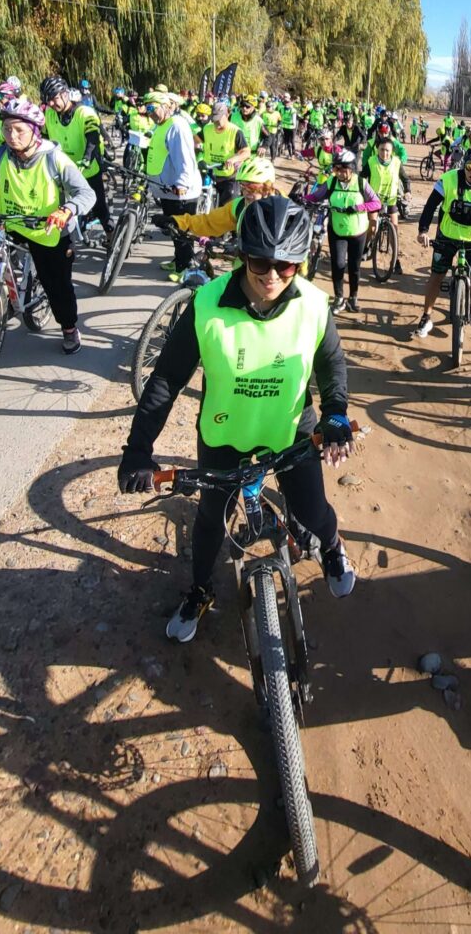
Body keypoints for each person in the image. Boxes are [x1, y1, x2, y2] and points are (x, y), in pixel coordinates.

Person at [118, 196, 357, 642]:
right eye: (259, 262)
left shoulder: (313, 305)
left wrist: (337, 414)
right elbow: (167, 380)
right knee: (211, 520)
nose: (271, 276)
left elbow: (331, 366)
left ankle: (332, 546)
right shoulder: (207, 305)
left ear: (301, 263)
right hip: (224, 437)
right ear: (241, 255)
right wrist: (137, 451)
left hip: (289, 432)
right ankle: (201, 590)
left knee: (313, 510)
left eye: (286, 266)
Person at [0, 99, 95, 353]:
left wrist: (66, 209)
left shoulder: (54, 159)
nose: (11, 136)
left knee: (56, 286)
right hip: (9, 222)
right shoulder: (0, 153)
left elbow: (86, 193)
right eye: (6, 129)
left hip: (46, 230)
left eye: (19, 130)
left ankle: (69, 328)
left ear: (35, 131)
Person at [413, 146, 471, 334]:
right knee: (436, 275)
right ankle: (426, 316)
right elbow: (430, 205)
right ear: (463, 166)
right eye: (469, 167)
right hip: (447, 235)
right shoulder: (448, 179)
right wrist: (423, 231)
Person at [303, 148, 381, 314]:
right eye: (336, 168)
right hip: (336, 229)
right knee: (338, 264)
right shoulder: (331, 182)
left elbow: (376, 203)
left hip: (358, 231)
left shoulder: (361, 183)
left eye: (342, 168)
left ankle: (353, 297)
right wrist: (303, 198)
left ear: (351, 168)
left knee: (354, 267)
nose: (338, 172)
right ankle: (339, 298)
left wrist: (359, 207)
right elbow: (316, 196)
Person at [40, 75, 113, 234]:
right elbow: (44, 139)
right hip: (62, 169)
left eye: (54, 99)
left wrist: (86, 159)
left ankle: (111, 233)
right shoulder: (50, 114)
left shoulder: (85, 112)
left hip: (87, 167)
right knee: (55, 205)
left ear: (65, 94)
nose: (51, 104)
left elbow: (93, 138)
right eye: (48, 101)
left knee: (99, 205)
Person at [142, 90, 202, 279]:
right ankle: (178, 261)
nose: (149, 112)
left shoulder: (176, 125)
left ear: (165, 107)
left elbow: (184, 156)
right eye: (146, 108)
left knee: (182, 231)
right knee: (174, 229)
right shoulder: (162, 125)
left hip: (180, 191)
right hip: (167, 190)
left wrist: (182, 182)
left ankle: (186, 268)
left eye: (152, 107)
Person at [360, 136, 411, 275]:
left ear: (392, 151)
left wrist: (407, 192)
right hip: (374, 200)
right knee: (371, 227)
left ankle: (395, 261)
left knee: (394, 230)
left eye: (388, 150)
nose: (385, 153)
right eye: (382, 150)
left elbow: (405, 179)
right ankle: (366, 247)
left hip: (392, 200)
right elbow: (362, 177)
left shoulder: (396, 162)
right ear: (377, 150)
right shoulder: (371, 162)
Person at [197, 101, 248, 206]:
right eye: (214, 119)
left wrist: (234, 159)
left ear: (227, 115)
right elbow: (196, 140)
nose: (216, 122)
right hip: (210, 171)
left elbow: (246, 152)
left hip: (229, 176)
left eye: (219, 119)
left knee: (227, 207)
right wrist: (198, 151)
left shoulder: (235, 131)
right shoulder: (207, 129)